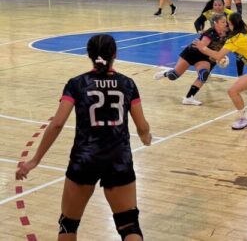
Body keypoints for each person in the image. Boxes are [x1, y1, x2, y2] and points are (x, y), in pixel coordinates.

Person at [15, 34, 152, 241]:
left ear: (89, 55)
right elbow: (142, 126)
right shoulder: (127, 84)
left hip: (84, 159)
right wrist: (145, 137)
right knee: (129, 225)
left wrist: (35, 160)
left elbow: (57, 123)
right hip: (119, 160)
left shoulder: (77, 84)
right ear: (115, 54)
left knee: (68, 224)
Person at [194, 13, 247, 130]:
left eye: (227, 23)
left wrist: (203, 48)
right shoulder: (245, 30)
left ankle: (245, 119)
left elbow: (218, 55)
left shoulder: (234, 40)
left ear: (232, 24)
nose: (226, 24)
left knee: (233, 91)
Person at [154, 12, 230, 106]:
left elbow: (224, 46)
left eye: (226, 22)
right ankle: (166, 73)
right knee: (173, 76)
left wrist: (221, 57)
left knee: (204, 74)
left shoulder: (228, 32)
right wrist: (216, 56)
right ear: (215, 23)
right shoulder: (210, 34)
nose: (226, 24)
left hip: (205, 57)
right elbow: (201, 49)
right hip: (192, 53)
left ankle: (189, 98)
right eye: (223, 22)